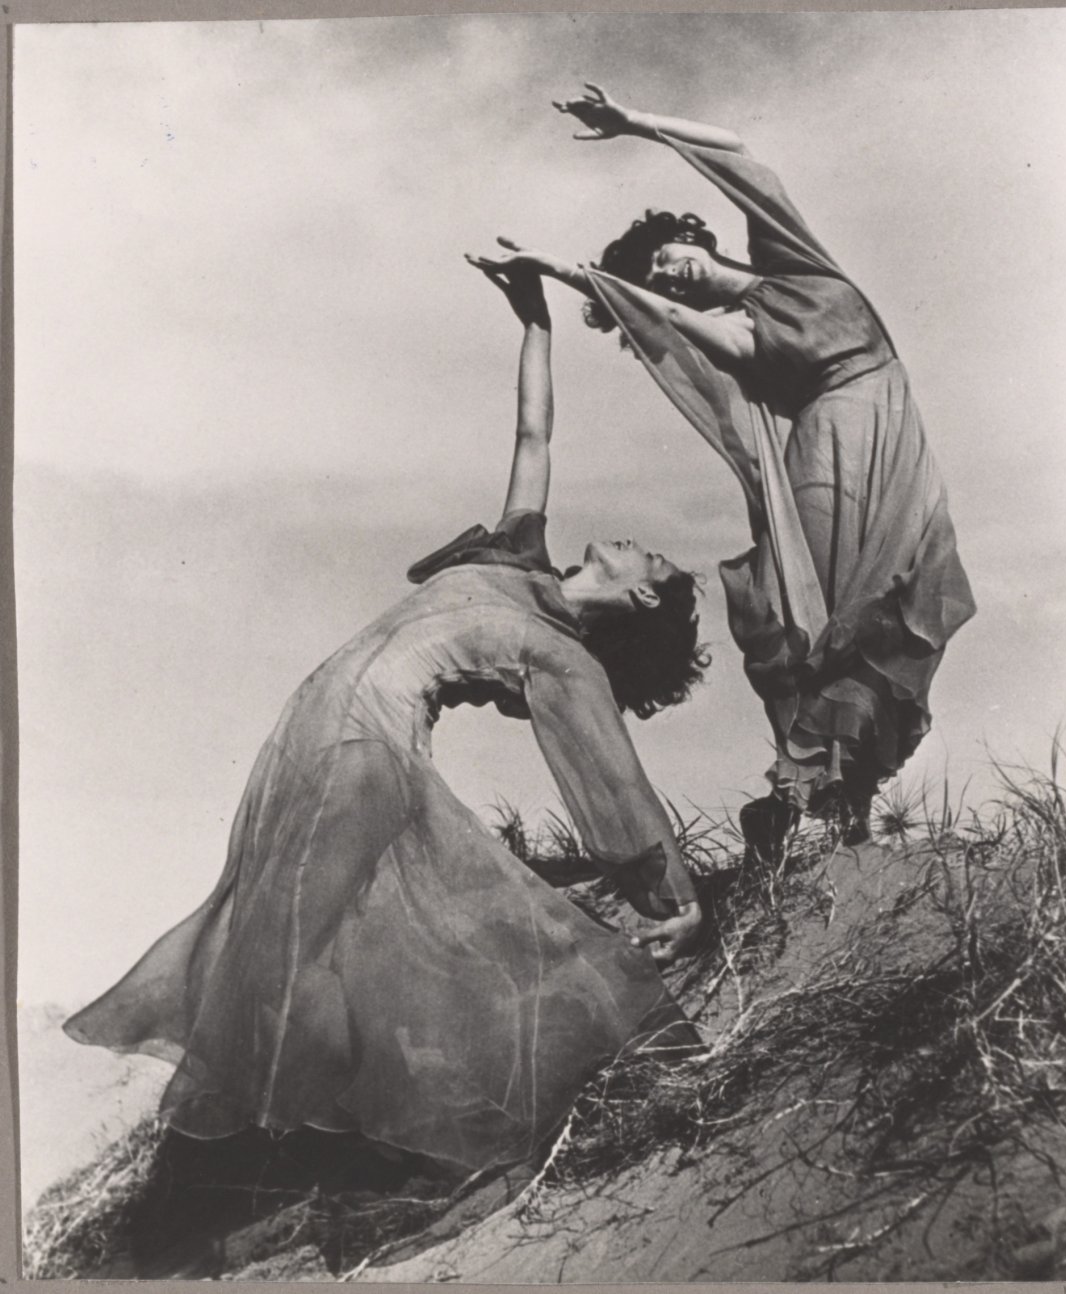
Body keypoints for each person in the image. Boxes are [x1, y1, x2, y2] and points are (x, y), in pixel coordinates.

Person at [64, 266, 706, 1178]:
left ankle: (301, 1146)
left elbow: (616, 781)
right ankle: (301, 1133)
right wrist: (535, 318)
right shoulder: (516, 557)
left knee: (298, 948)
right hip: (305, 724)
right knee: (285, 937)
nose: (642, 539)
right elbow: (533, 431)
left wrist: (681, 899)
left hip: (367, 746)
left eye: (658, 555)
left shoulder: (563, 654)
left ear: (643, 595)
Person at [471, 85, 975, 858]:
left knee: (891, 610)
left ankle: (847, 817)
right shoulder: (735, 333)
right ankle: (791, 798)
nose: (670, 276)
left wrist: (635, 122)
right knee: (817, 620)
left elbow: (738, 155)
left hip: (896, 440)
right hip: (831, 443)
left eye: (665, 258)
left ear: (688, 234)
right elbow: (666, 319)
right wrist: (572, 277)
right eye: (658, 279)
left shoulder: (793, 260)